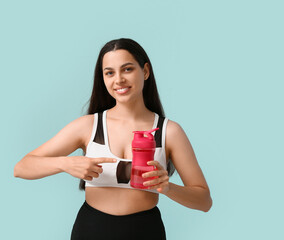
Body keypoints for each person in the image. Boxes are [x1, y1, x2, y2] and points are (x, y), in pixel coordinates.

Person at [14, 38, 212, 240]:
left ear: (145, 71)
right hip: (91, 230)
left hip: (146, 231)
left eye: (127, 69)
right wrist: (65, 163)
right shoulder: (88, 126)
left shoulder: (169, 131)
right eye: (109, 73)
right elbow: (21, 168)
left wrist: (169, 188)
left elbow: (204, 201)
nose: (118, 80)